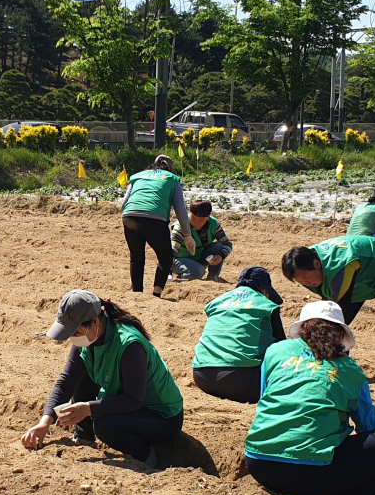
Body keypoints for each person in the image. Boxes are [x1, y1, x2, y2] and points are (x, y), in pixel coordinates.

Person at [243, 301, 375, 495]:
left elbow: (266, 397)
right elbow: (369, 428)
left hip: (260, 464)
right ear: (340, 336)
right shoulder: (350, 370)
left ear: (302, 328)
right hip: (315, 476)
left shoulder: (275, 351)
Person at [23, 290, 184, 469]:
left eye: (75, 331)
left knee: (105, 425)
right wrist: (45, 422)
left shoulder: (129, 345)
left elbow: (134, 400)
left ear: (95, 322)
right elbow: (67, 380)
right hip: (130, 404)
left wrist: (89, 408)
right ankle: (84, 438)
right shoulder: (87, 340)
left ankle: (144, 457)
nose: (72, 338)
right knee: (81, 375)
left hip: (162, 417)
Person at [281, 234, 375, 383]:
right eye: (301, 282)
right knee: (329, 323)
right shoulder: (309, 267)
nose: (306, 283)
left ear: (316, 264)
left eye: (307, 278)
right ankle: (335, 365)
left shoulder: (340, 266)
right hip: (362, 275)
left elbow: (336, 314)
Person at [191, 267, 286, 403]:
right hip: (240, 381)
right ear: (264, 290)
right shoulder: (267, 306)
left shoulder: (218, 301)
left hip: (202, 376)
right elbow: (281, 346)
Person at [120, 155, 193, 296]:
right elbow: (180, 209)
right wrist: (188, 235)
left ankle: (137, 293)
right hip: (155, 218)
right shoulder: (172, 179)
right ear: (171, 169)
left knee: (136, 257)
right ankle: (156, 293)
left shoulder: (137, 176)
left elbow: (123, 204)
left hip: (129, 215)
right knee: (165, 258)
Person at [171, 200, 234, 281]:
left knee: (219, 246)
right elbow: (172, 250)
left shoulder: (214, 224)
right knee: (199, 271)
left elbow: (227, 243)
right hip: (179, 260)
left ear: (208, 217)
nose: (196, 222)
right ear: (190, 212)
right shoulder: (180, 225)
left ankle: (212, 277)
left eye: (201, 220)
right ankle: (183, 277)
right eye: (193, 217)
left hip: (199, 259)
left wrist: (221, 256)